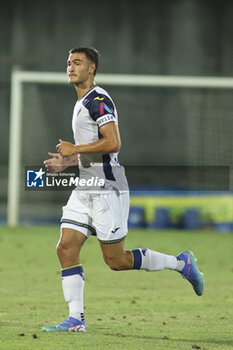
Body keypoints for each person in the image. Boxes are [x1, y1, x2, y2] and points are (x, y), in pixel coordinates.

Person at [42, 47, 204, 333]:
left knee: (116, 261)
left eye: (77, 63)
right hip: (86, 185)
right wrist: (67, 161)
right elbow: (96, 149)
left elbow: (114, 143)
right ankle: (75, 320)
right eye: (68, 63)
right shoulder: (81, 102)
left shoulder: (99, 100)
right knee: (66, 247)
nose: (70, 67)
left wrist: (75, 148)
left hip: (108, 188)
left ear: (91, 69)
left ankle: (181, 264)